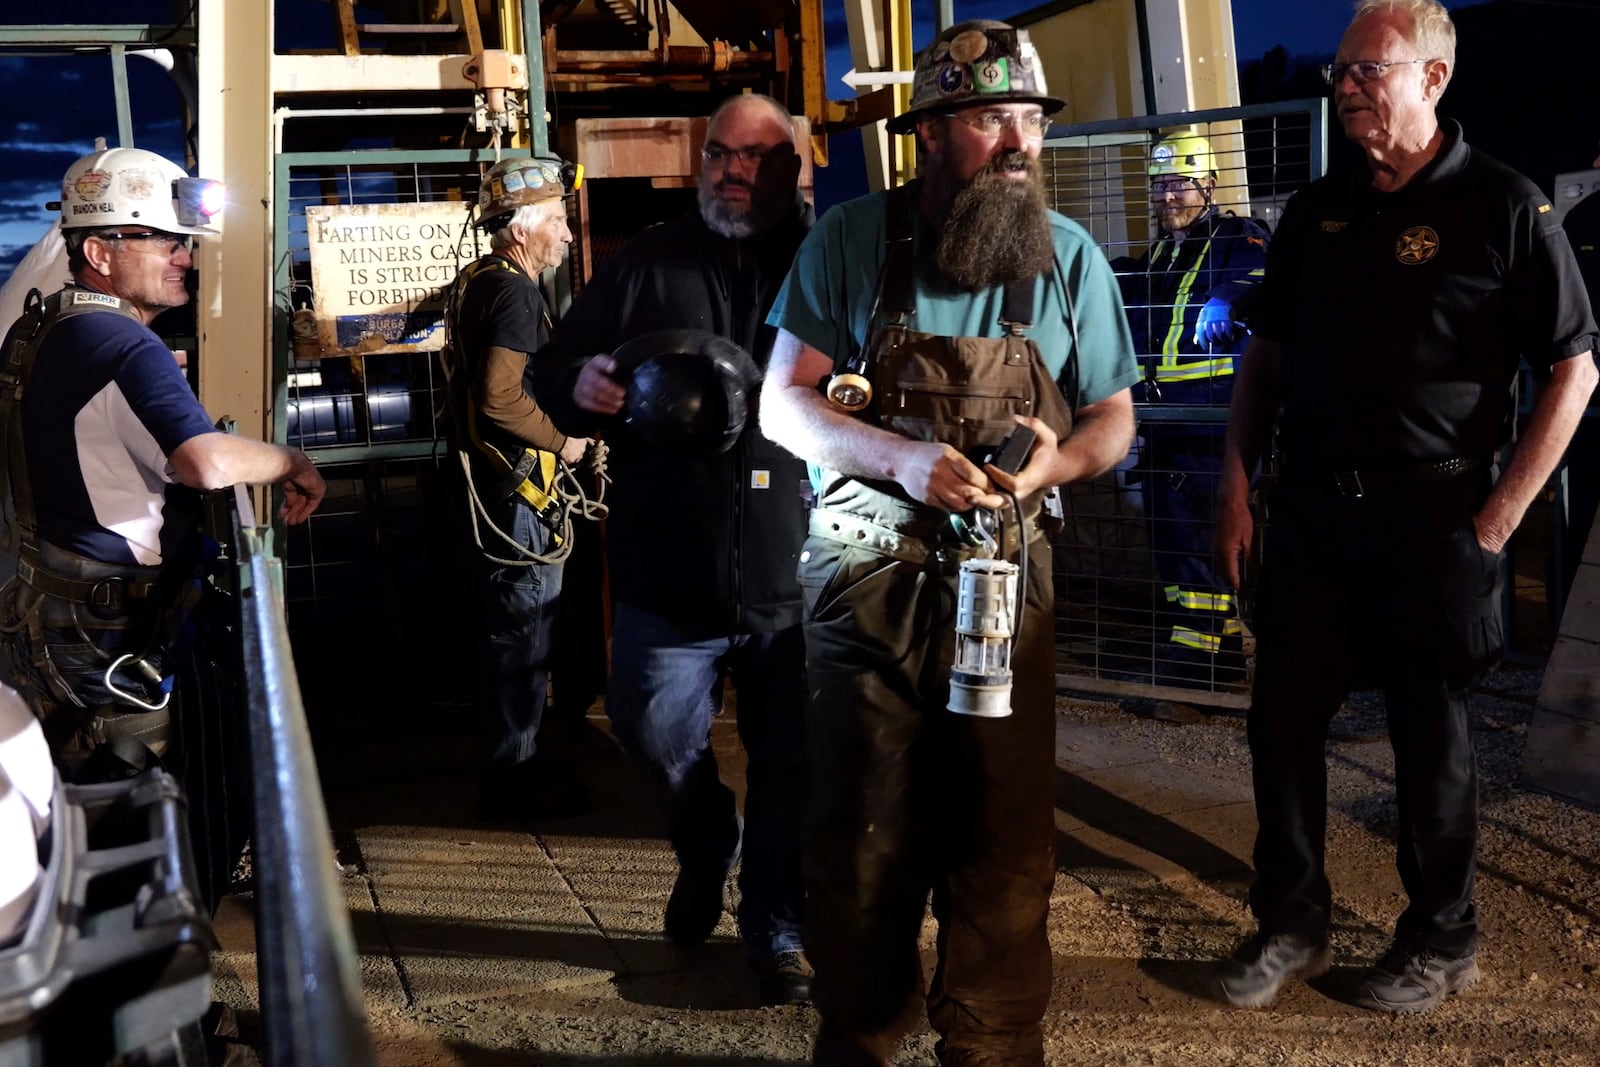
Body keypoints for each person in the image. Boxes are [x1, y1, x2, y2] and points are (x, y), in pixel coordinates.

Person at [761, 20, 1139, 1065]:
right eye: (989, 118)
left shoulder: (1065, 260)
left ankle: (992, 1039)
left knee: (1005, 837)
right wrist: (899, 460)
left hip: (1006, 588)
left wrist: (1057, 464)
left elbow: (1113, 417)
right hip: (863, 579)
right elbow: (781, 408)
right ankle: (863, 1031)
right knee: (861, 835)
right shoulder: (849, 243)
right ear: (929, 134)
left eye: (1028, 117)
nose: (1017, 141)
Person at [1212, 0, 1598, 1015]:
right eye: (1339, 68)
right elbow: (1269, 354)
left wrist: (1493, 525)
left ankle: (1441, 935)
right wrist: (1238, 487)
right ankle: (1288, 922)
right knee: (1281, 724)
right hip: (1309, 517)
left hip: (1433, 522)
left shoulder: (1505, 208)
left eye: (1367, 70)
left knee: (1431, 735)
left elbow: (1573, 371)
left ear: (1433, 79)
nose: (1343, 85)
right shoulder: (1319, 211)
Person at [530, 93, 814, 1005]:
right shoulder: (646, 262)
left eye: (756, 158)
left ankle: (777, 927)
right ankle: (704, 840)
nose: (732, 171)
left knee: (793, 769)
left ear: (793, 172)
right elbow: (553, 367)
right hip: (669, 565)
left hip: (798, 570)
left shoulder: (831, 262)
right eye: (719, 155)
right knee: (649, 732)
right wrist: (581, 380)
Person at [0, 145, 327, 900]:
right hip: (105, 637)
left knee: (76, 832)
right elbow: (204, 462)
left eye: (185, 240)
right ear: (99, 252)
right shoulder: (124, 344)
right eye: (163, 241)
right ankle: (160, 1003)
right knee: (146, 831)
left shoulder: (42, 331)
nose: (186, 256)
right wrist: (289, 461)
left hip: (43, 620)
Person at [440, 154, 594, 822]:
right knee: (524, 638)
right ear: (524, 227)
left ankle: (515, 768)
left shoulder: (477, 279)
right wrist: (568, 444)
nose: (566, 235)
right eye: (558, 221)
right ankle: (513, 784)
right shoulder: (514, 292)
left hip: (496, 489)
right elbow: (501, 398)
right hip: (520, 496)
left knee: (510, 634)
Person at [1115, 130, 1269, 687]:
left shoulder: (1237, 235)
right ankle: (1217, 656)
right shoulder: (1161, 251)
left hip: (1210, 419)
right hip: (1162, 418)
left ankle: (1195, 668)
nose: (1167, 197)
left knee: (1200, 540)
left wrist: (1227, 299)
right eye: (1159, 186)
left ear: (1208, 183)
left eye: (1178, 184)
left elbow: (1259, 276)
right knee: (1173, 539)